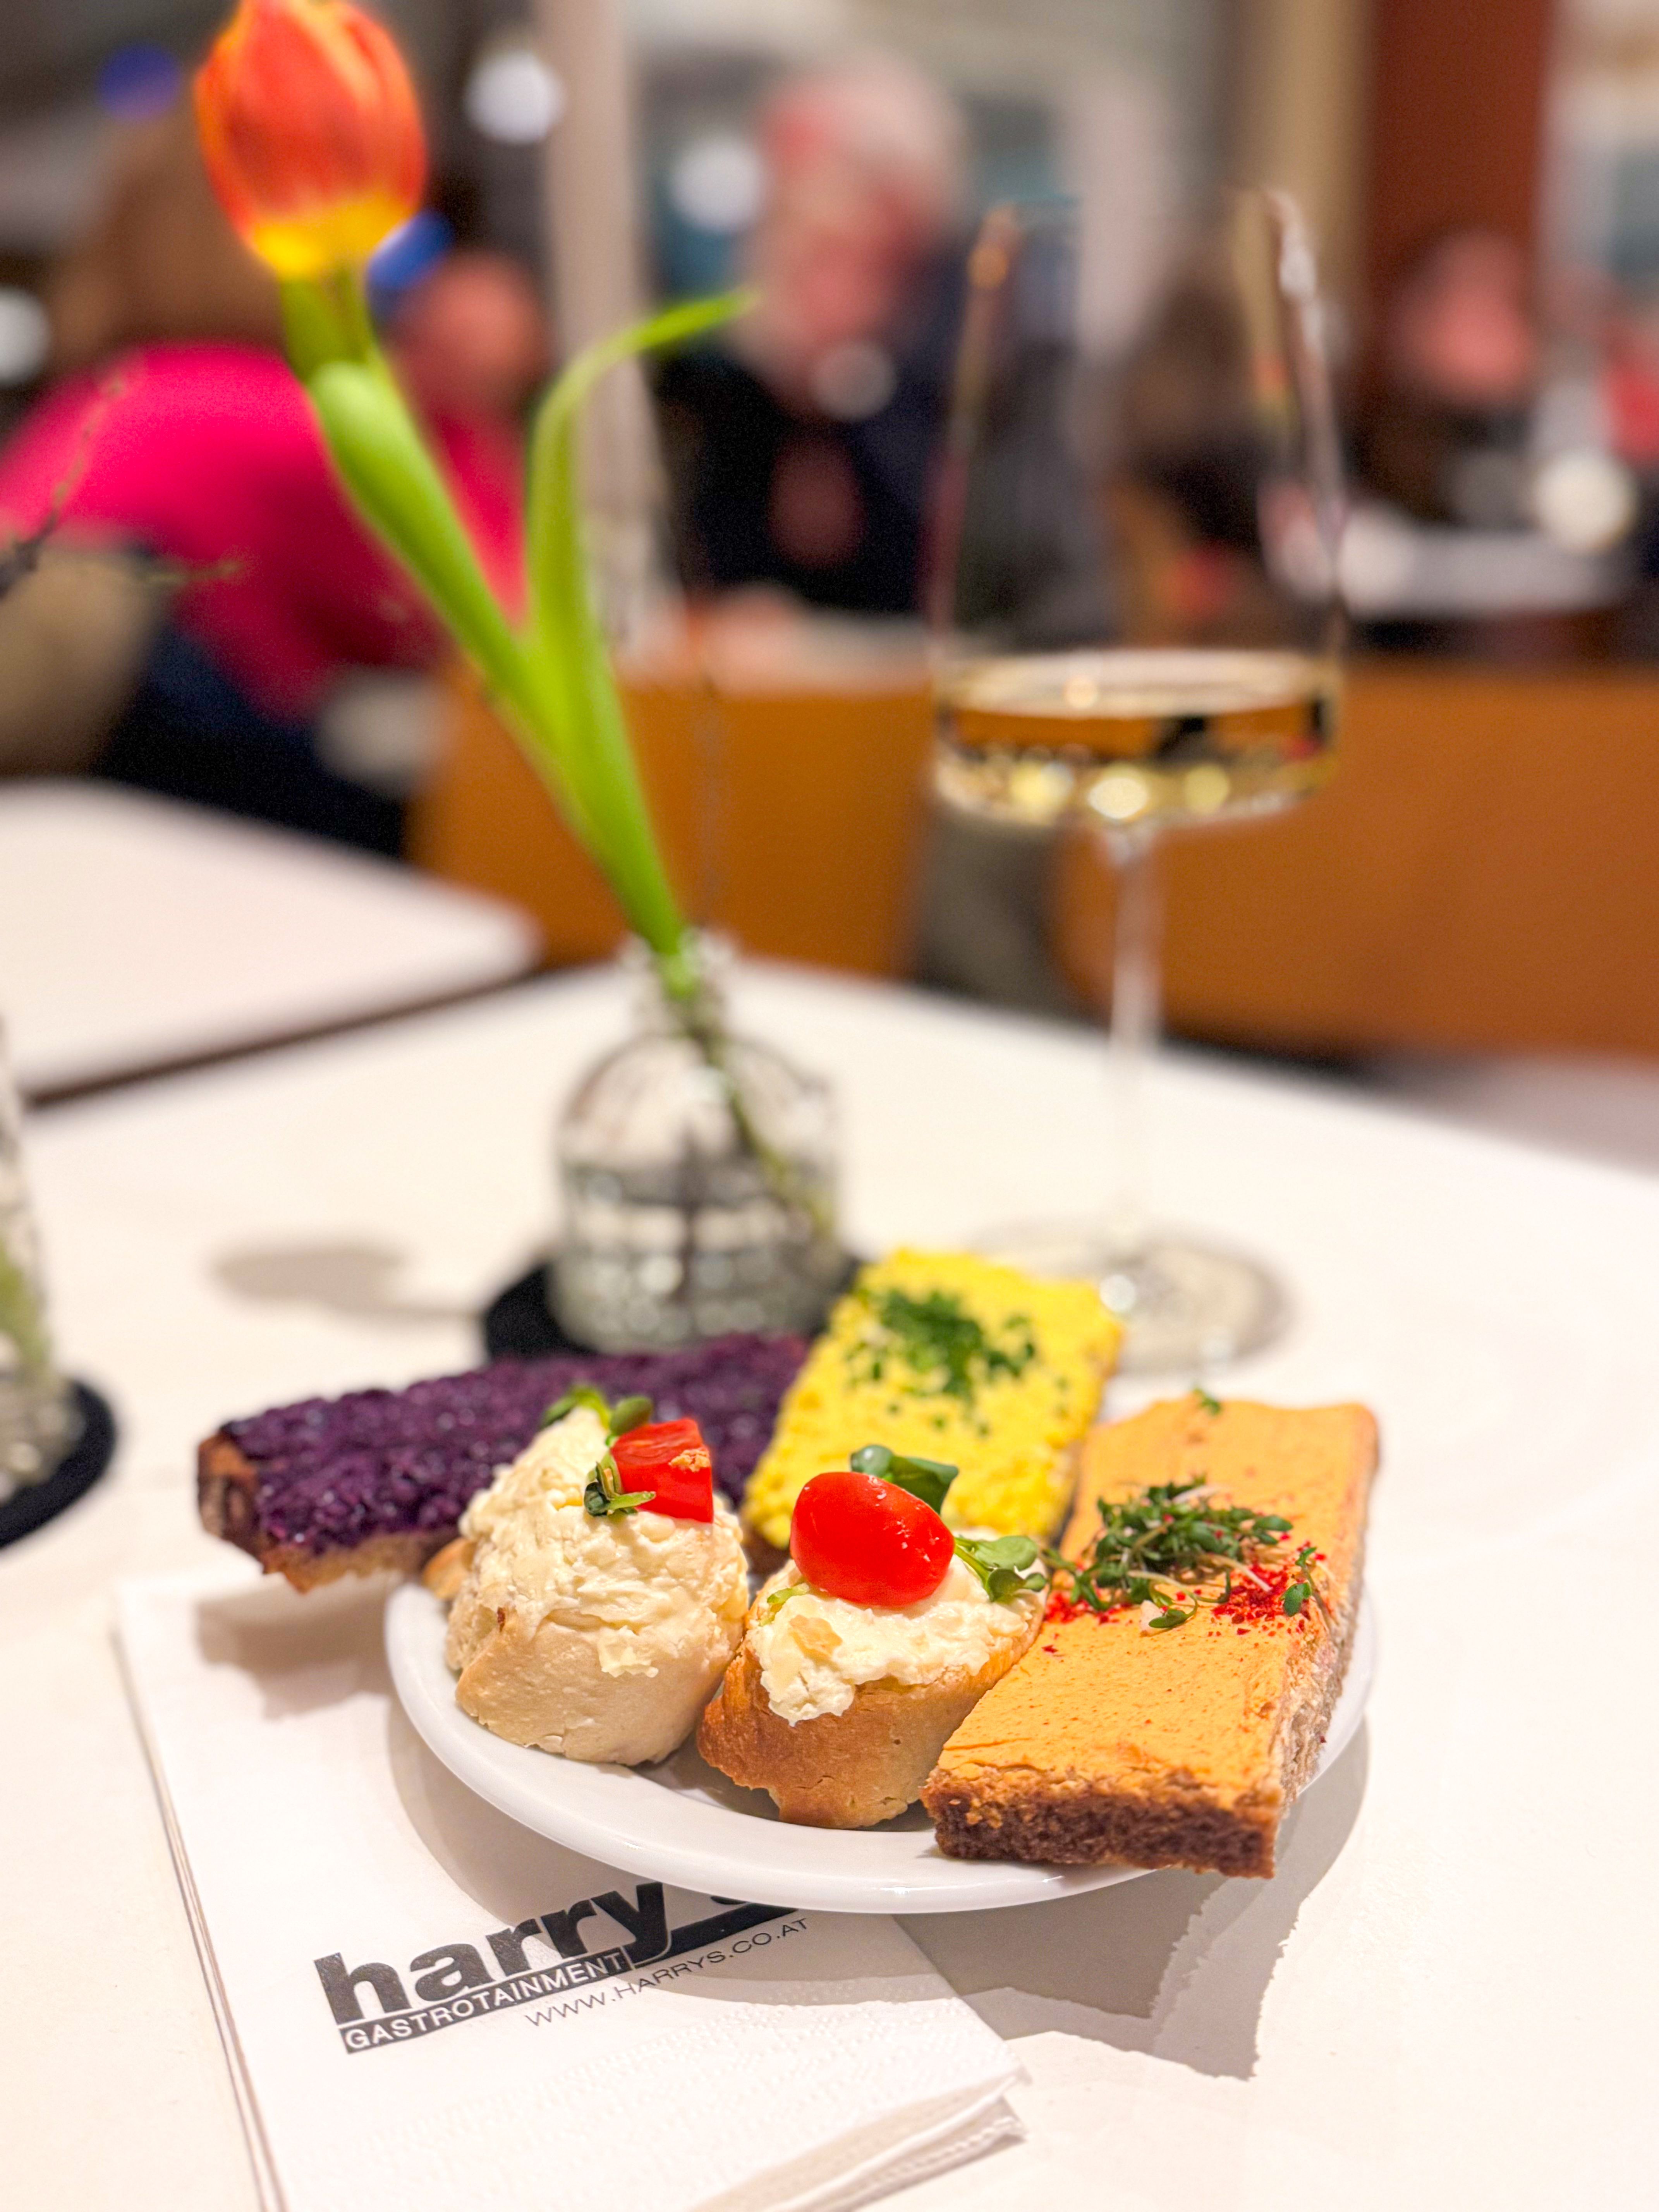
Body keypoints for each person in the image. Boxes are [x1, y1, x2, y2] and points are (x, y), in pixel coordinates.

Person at [0, 103, 542, 853]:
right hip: (214, 856)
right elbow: (495, 624)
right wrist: (473, 412)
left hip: (87, 846)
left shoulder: (99, 402)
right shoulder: (285, 420)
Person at [655, 55, 967, 617]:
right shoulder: (731, 374)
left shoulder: (973, 333)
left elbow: (945, 562)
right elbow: (711, 562)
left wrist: (853, 379)